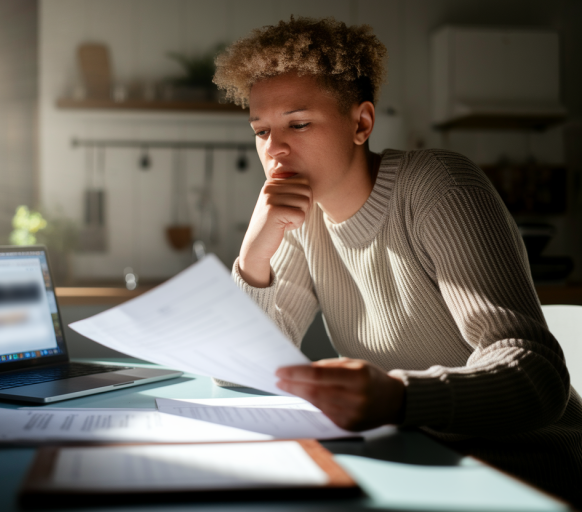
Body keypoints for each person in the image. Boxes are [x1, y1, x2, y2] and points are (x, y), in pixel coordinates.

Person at [212, 16, 582, 507]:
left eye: (298, 124)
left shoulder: (437, 187)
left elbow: (539, 378)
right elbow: (238, 371)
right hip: (418, 462)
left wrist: (399, 397)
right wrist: (253, 252)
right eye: (262, 131)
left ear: (361, 123)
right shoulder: (302, 220)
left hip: (523, 472)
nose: (275, 150)